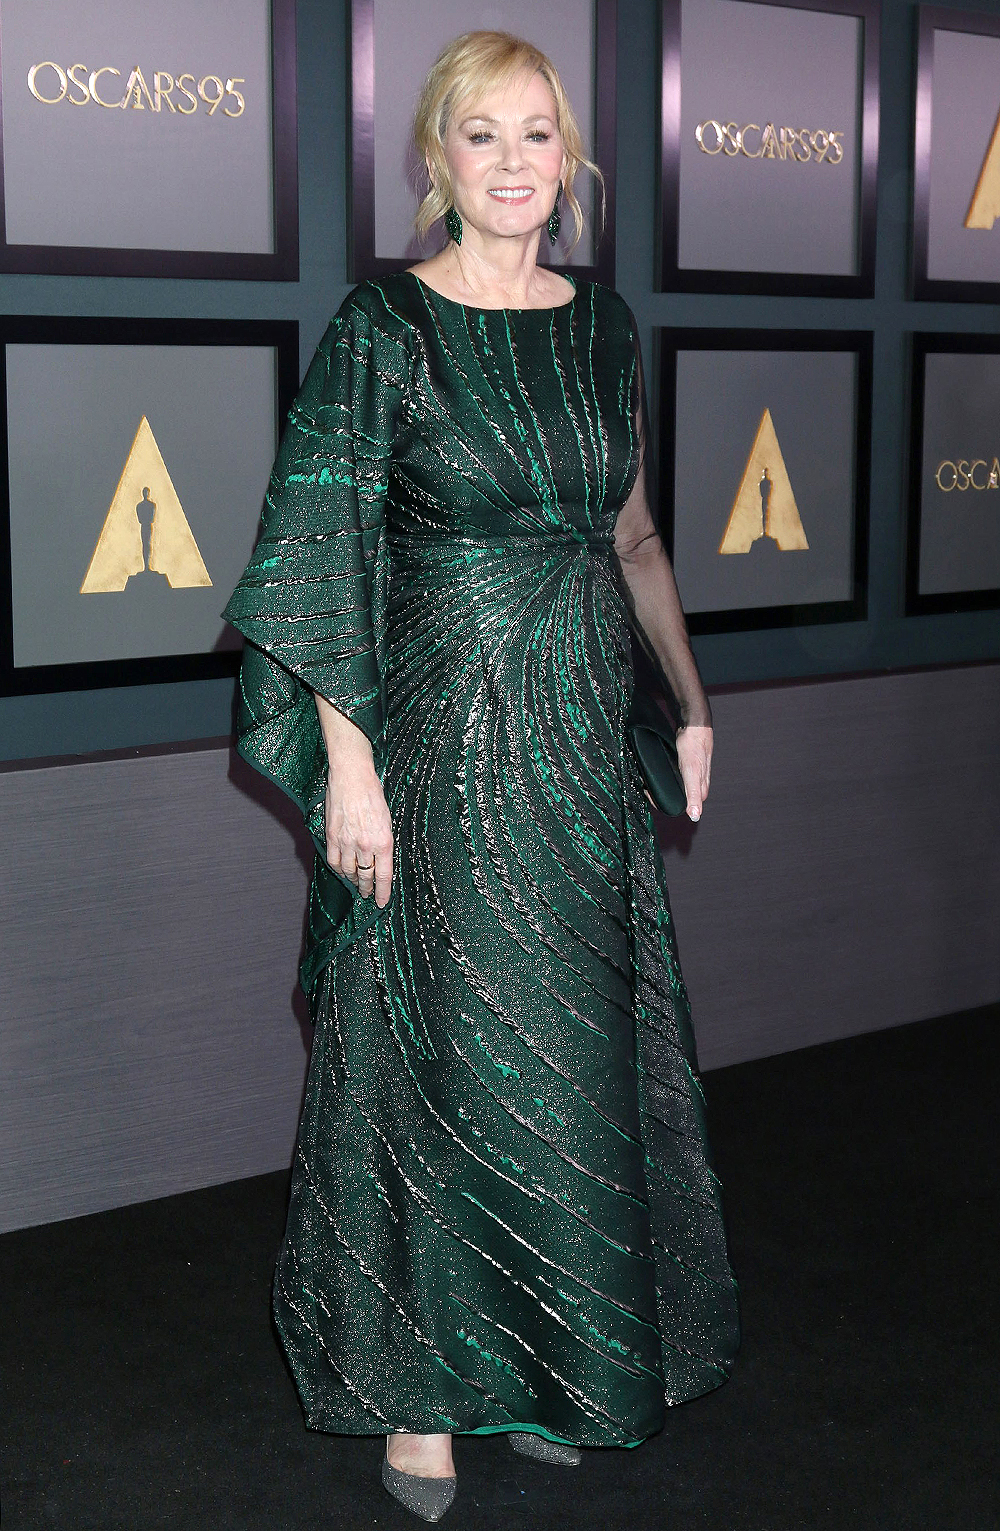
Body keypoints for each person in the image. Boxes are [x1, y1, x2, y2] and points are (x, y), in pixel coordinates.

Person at [224, 30, 739, 1523]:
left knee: (568, 1045)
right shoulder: (385, 326)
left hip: (576, 734)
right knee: (432, 1051)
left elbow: (634, 535)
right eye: (482, 138)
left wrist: (690, 709)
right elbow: (317, 559)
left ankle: (562, 1356)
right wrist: (353, 771)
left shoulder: (601, 322)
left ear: (569, 157)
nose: (516, 165)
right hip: (435, 738)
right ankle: (423, 1392)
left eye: (538, 136)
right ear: (435, 161)